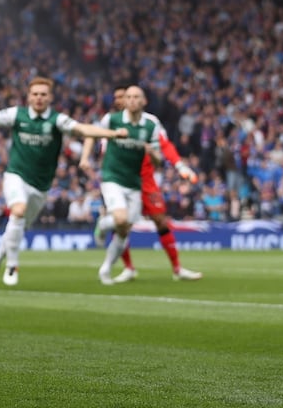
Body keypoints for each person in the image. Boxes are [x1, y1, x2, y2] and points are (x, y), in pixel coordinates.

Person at [0, 77, 127, 287]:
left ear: (50, 97)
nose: (39, 98)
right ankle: (12, 265)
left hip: (41, 186)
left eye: (43, 94)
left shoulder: (57, 120)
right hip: (16, 175)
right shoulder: (17, 115)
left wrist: (112, 134)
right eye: (35, 94)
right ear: (28, 96)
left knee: (19, 226)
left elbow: (83, 129)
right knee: (18, 211)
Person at [81, 86, 203, 283]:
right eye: (121, 97)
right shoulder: (112, 123)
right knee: (122, 223)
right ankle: (127, 268)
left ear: (142, 100)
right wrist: (90, 156)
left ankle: (177, 269)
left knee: (159, 221)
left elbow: (163, 146)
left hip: (143, 180)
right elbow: (97, 141)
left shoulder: (150, 124)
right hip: (117, 178)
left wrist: (180, 166)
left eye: (130, 97)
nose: (124, 100)